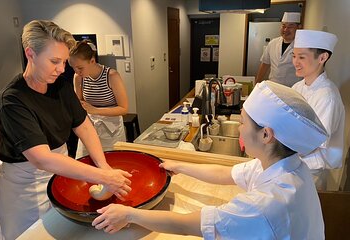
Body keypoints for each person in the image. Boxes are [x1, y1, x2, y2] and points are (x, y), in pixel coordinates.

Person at [92, 81, 327, 239]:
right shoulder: (286, 166)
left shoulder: (264, 205)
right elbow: (227, 174)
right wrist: (180, 166)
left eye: (243, 122)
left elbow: (186, 224)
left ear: (266, 135)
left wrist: (129, 214)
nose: (239, 130)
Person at [0, 20, 132, 240]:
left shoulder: (60, 86)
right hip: (25, 186)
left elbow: (84, 126)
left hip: (60, 174)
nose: (62, 69)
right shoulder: (12, 100)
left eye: (64, 61)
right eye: (54, 61)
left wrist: (103, 165)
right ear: (30, 54)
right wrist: (103, 176)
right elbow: (42, 159)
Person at [292, 29, 345, 190]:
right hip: (294, 164)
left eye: (301, 57)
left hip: (310, 172)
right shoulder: (298, 87)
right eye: (294, 56)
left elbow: (312, 141)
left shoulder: (327, 96)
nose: (295, 62)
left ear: (322, 58)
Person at [69, 40, 128, 159]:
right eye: (74, 68)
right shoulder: (78, 78)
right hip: (90, 126)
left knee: (113, 162)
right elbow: (80, 103)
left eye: (80, 68)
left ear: (92, 61)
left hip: (112, 128)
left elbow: (124, 109)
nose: (77, 72)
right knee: (85, 162)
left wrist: (95, 110)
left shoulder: (112, 76)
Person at [255, 12, 302, 87]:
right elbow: (265, 64)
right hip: (273, 87)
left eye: (290, 26)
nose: (286, 29)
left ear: (299, 27)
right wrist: (257, 83)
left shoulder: (302, 46)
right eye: (283, 26)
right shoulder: (273, 43)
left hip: (292, 89)